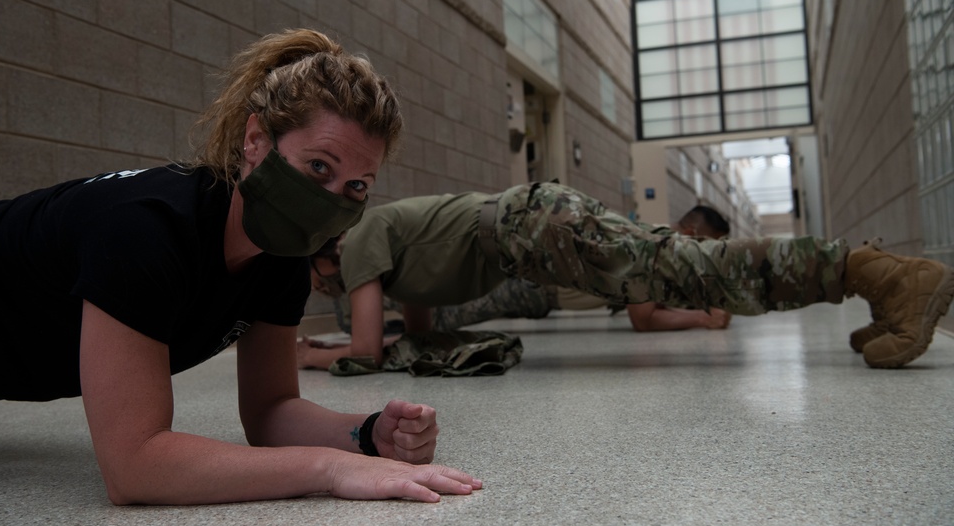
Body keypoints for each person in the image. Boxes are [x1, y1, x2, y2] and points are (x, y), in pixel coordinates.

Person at [0, 28, 481, 506]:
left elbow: (271, 409)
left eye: (355, 187)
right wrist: (330, 469)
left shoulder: (280, 258)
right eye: (317, 167)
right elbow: (134, 465)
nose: (331, 200)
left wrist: (366, 435)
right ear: (255, 142)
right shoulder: (146, 230)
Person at [298, 185, 954, 372]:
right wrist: (366, 348)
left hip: (532, 228)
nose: (325, 291)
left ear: (321, 256)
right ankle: (875, 279)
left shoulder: (360, 239)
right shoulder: (390, 256)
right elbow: (413, 336)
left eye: (316, 282)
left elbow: (363, 350)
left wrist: (310, 357)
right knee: (691, 273)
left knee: (694, 272)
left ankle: (881, 274)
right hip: (533, 236)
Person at [307, 204, 732, 337]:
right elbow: (643, 315)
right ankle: (363, 323)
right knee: (452, 316)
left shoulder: (659, 244)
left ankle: (367, 322)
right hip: (532, 283)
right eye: (708, 245)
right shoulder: (656, 242)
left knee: (447, 317)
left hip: (538, 284)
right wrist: (701, 318)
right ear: (692, 232)